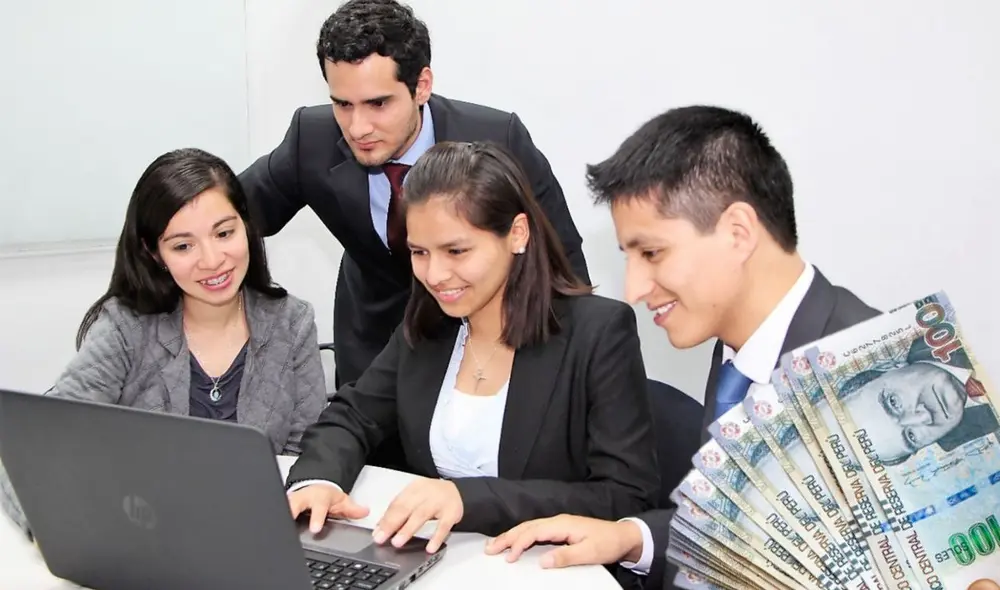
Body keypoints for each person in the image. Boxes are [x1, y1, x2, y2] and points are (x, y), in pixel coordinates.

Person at [484, 106, 880, 589]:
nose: (633, 288)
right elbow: (754, 535)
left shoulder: (870, 374)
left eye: (651, 253)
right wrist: (631, 538)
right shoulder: (739, 354)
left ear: (738, 233)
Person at [284, 141, 658, 556]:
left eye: (456, 251)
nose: (436, 274)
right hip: (438, 558)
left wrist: (469, 500)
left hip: (549, 566)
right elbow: (352, 415)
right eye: (419, 252)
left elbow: (624, 497)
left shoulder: (598, 332)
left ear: (517, 234)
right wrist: (317, 481)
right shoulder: (430, 325)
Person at [239, 0, 590, 395]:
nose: (358, 127)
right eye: (342, 104)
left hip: (491, 353)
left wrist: (572, 380)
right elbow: (230, 217)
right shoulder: (312, 139)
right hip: (374, 357)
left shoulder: (498, 138)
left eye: (378, 103)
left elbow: (563, 264)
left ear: (421, 85)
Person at [0, 148, 328, 534]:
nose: (212, 259)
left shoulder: (291, 323)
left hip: (253, 536)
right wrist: (55, 534)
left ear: (247, 227)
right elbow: (24, 453)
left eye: (224, 233)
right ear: (154, 254)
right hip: (147, 538)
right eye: (183, 246)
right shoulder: (127, 328)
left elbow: (305, 461)